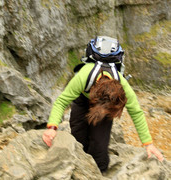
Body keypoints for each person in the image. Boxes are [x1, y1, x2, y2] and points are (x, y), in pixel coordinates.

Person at [42, 36, 164, 172]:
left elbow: (136, 112)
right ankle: (76, 169)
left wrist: (148, 144)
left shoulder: (123, 85)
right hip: (82, 100)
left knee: (99, 146)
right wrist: (52, 128)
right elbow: (62, 101)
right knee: (78, 137)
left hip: (108, 106)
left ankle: (100, 172)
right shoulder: (84, 76)